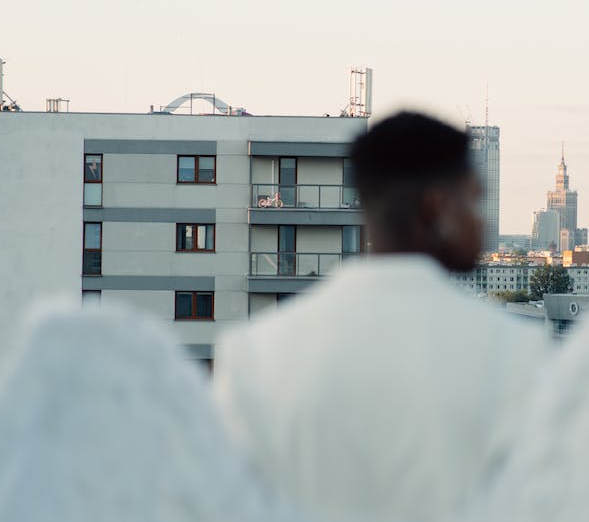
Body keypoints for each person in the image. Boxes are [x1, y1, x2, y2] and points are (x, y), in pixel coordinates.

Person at [212, 111, 551, 522]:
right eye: (474, 200)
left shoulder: (253, 354)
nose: (484, 222)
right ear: (436, 207)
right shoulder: (514, 353)